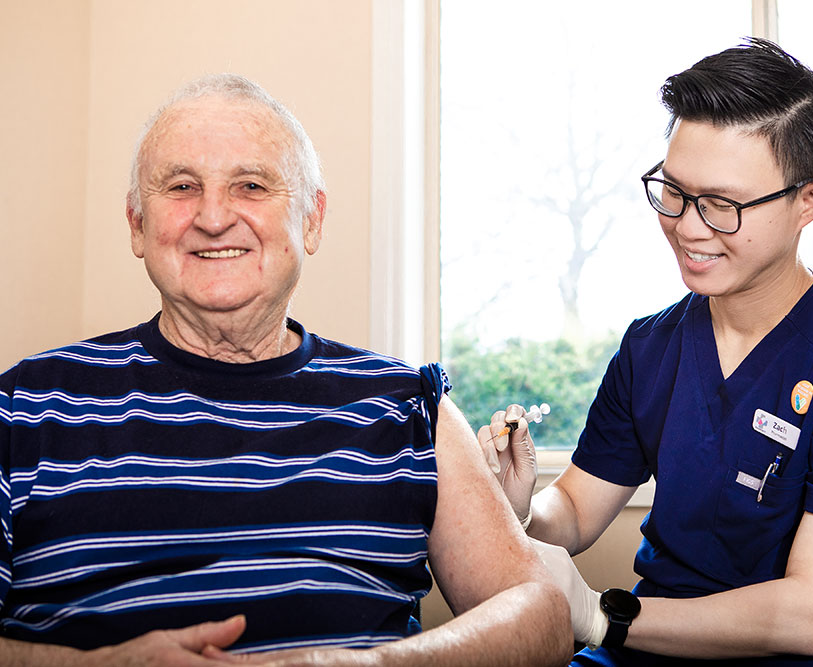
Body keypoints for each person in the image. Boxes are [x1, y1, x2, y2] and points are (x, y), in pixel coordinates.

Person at [0, 73, 572, 666]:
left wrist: (367, 665)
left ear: (312, 219)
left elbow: (543, 615)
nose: (214, 216)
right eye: (181, 186)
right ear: (136, 224)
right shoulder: (22, 405)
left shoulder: (406, 406)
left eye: (251, 185)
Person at [478, 38, 813, 665]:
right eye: (674, 191)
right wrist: (521, 505)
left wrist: (600, 614)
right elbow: (579, 510)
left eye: (722, 205)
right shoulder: (652, 346)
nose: (689, 226)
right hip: (645, 646)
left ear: (810, 202)